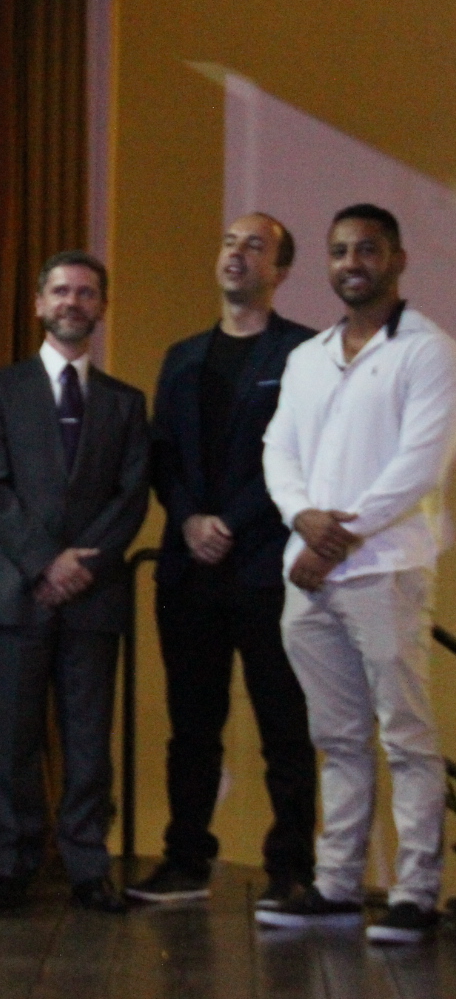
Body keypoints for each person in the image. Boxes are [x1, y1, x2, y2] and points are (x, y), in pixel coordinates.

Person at [257, 204, 456, 945]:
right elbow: (278, 449)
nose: (352, 264)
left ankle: (415, 892)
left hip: (386, 570)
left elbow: (418, 466)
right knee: (336, 738)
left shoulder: (429, 351)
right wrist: (302, 517)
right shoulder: (307, 356)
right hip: (309, 574)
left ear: (397, 259)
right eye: (340, 251)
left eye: (367, 250)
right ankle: (338, 884)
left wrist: (333, 539)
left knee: (405, 737)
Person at [133, 213, 316, 906]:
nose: (237, 254)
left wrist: (229, 523)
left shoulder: (304, 354)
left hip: (266, 569)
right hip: (190, 572)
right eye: (230, 242)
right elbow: (163, 454)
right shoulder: (183, 356)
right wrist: (187, 519)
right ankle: (186, 860)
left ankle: (291, 868)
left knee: (284, 728)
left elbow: (298, 459)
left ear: (280, 270)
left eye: (255, 246)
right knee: (192, 729)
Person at [0, 251, 149, 914]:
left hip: (93, 598)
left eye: (87, 292)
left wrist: (82, 567)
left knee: (88, 742)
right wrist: (47, 562)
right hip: (13, 591)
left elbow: (131, 497)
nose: (73, 301)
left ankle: (86, 866)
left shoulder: (126, 403)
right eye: (62, 291)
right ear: (40, 304)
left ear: (102, 307)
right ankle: (12, 864)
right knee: (12, 740)